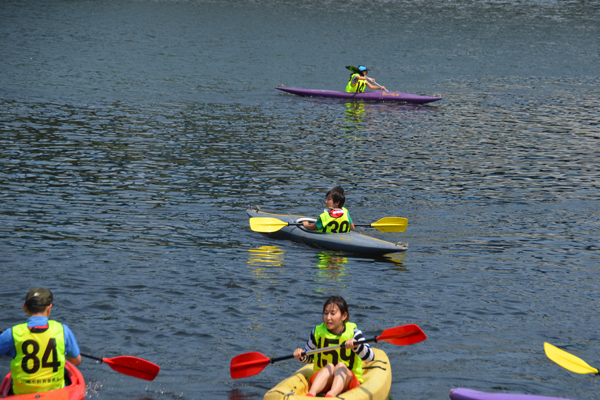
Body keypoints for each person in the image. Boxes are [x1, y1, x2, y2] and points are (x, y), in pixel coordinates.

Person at [0, 287, 81, 395]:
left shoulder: (12, 333)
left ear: (24, 307)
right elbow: (76, 361)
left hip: (21, 395)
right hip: (56, 394)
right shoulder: (63, 330)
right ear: (49, 308)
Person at [293, 295, 374, 397]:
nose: (328, 317)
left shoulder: (354, 333)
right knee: (330, 367)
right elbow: (309, 358)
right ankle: (311, 395)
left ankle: (331, 395)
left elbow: (370, 357)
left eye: (332, 313)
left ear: (344, 316)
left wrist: (356, 346)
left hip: (347, 383)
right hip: (323, 381)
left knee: (340, 366)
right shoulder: (316, 332)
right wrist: (302, 356)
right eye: (326, 313)